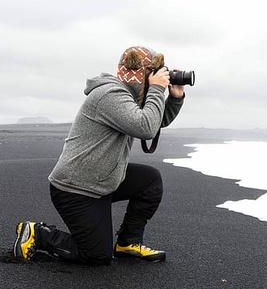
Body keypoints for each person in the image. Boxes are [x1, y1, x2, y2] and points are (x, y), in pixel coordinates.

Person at [13, 46, 185, 264]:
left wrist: (175, 96)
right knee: (96, 256)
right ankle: (38, 234)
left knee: (150, 181)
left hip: (102, 181)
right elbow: (145, 127)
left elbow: (156, 121)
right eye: (155, 71)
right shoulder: (110, 95)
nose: (158, 76)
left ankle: (127, 243)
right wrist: (157, 90)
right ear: (142, 73)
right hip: (76, 189)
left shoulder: (128, 96)